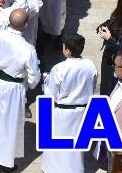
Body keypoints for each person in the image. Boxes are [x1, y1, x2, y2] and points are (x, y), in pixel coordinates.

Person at [0, 9, 40, 173]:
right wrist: (31, 83)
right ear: (26, 25)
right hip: (12, 88)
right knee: (10, 124)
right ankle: (2, 163)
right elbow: (34, 78)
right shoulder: (27, 49)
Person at [40, 33, 97, 173]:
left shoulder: (59, 68)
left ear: (68, 50)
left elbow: (50, 94)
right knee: (76, 147)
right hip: (83, 111)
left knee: (57, 145)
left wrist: (45, 82)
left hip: (63, 113)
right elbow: (92, 86)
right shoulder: (90, 65)